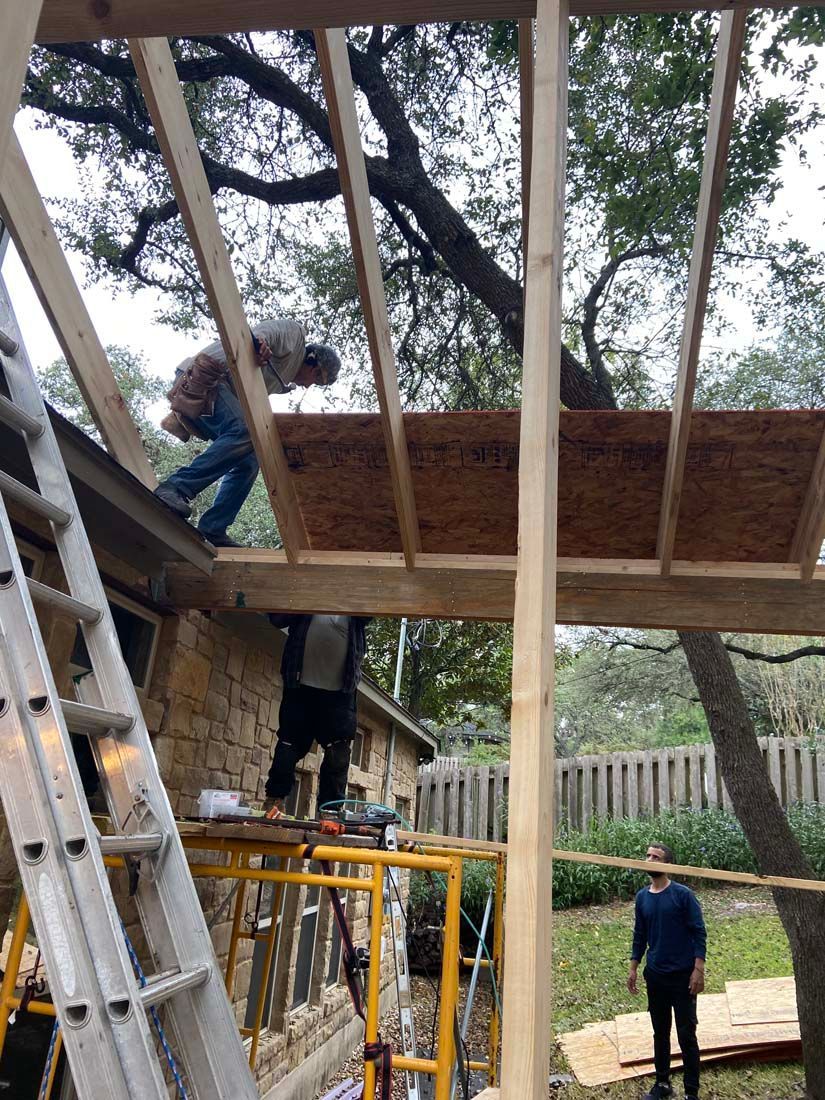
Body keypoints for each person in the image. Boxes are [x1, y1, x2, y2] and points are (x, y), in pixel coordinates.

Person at [154, 319, 340, 547]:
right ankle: (174, 487)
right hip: (206, 377)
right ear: (312, 362)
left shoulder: (280, 380)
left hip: (215, 394)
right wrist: (259, 345)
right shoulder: (295, 335)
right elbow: (257, 335)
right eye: (318, 380)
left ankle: (213, 528)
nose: (310, 386)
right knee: (246, 431)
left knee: (251, 459)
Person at [264, 614, 371, 815]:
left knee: (338, 752)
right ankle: (275, 801)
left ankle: (330, 811)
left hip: (340, 692)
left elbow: (370, 613)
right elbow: (277, 618)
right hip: (299, 685)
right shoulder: (307, 597)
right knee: (288, 744)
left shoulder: (355, 603)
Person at [627, 842, 706, 1100]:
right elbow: (640, 935)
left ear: (667, 864)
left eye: (656, 857)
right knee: (660, 1031)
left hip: (683, 977)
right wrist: (634, 967)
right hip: (656, 975)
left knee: (686, 1034)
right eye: (647, 855)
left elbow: (698, 932)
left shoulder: (683, 895)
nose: (649, 859)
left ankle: (691, 1092)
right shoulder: (642, 897)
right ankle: (662, 1084)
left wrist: (698, 970)